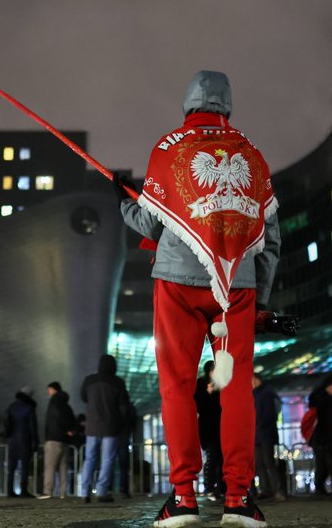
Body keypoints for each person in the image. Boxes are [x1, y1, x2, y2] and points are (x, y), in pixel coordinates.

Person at [118, 71, 280, 528]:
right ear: (228, 106)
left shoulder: (169, 148)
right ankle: (239, 500)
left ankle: (184, 499)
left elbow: (153, 224)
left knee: (177, 386)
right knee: (236, 391)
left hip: (178, 282)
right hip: (237, 285)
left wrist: (122, 202)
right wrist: (260, 296)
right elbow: (271, 237)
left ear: (188, 104)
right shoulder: (251, 154)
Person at [80, 354, 130, 503]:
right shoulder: (118, 382)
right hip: (111, 425)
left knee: (90, 458)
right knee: (107, 459)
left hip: (92, 425)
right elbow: (124, 406)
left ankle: (85, 492)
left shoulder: (89, 380)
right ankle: (101, 492)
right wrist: (121, 423)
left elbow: (83, 397)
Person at [38, 381, 76, 499]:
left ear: (53, 389)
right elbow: (71, 418)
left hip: (54, 438)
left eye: (48, 390)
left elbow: (57, 416)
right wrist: (70, 430)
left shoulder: (54, 401)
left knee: (50, 466)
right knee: (63, 467)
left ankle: (47, 491)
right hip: (65, 439)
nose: (48, 393)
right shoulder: (66, 404)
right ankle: (63, 493)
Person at [252, 374, 284, 502]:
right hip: (259, 433)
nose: (252, 383)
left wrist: (257, 424)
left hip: (264, 433)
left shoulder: (266, 394)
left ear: (258, 380)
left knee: (268, 462)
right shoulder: (259, 393)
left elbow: (268, 414)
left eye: (253, 380)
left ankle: (276, 490)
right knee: (260, 463)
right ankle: (266, 490)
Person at [195, 361, 224, 500]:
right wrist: (208, 392)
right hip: (207, 427)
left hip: (221, 426)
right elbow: (198, 404)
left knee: (221, 459)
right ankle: (209, 487)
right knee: (212, 457)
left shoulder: (222, 383)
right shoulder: (201, 383)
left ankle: (221, 488)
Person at [3, 386, 39, 498]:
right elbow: (33, 426)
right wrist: (35, 441)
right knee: (24, 465)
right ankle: (23, 490)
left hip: (12, 439)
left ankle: (10, 490)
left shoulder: (11, 406)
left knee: (12, 466)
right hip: (25, 438)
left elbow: (6, 422)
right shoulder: (29, 407)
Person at [117, 400, 138, 498]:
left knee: (108, 463)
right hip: (124, 438)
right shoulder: (130, 407)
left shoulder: (112, 404)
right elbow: (134, 423)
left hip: (112, 436)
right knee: (124, 466)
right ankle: (124, 490)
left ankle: (107, 489)